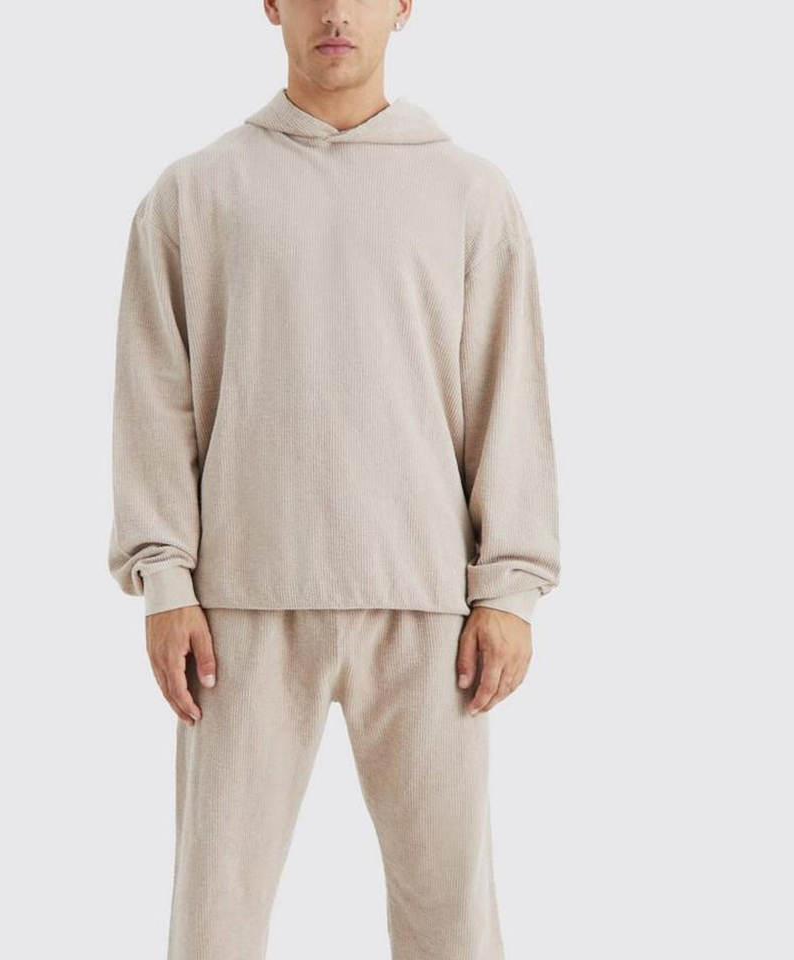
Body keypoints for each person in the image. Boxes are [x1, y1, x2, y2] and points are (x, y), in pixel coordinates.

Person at [107, 1, 560, 957]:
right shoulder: (196, 194)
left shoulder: (469, 194)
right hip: (238, 606)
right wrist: (165, 581)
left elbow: (504, 391)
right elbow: (155, 397)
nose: (338, 12)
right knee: (215, 915)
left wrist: (509, 588)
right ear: (272, 4)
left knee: (450, 916)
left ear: (405, 6)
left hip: (428, 606)